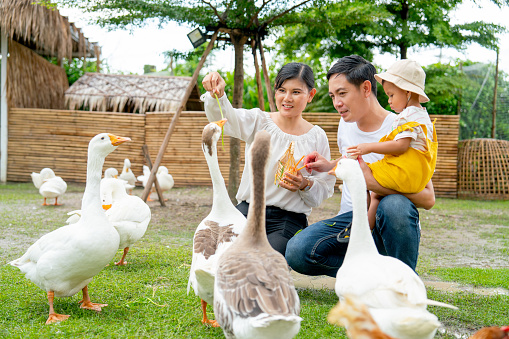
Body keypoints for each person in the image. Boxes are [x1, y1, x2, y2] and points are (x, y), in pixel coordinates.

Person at [285, 55, 435, 277]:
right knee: (298, 251)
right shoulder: (345, 125)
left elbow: (427, 197)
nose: (337, 103)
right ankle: (370, 276)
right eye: (333, 96)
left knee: (394, 205)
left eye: (342, 93)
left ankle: (402, 282)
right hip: (351, 221)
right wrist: (327, 166)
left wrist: (373, 186)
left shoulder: (402, 129)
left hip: (386, 223)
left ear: (366, 88)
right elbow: (350, 162)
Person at [201, 62, 336, 256]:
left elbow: (325, 187)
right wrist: (218, 95)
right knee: (218, 252)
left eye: (296, 92)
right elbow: (227, 120)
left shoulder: (316, 137)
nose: (287, 98)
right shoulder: (259, 121)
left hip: (288, 220)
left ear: (311, 95)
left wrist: (304, 184)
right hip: (247, 212)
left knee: (264, 261)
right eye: (282, 90)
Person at [346, 59, 438, 230]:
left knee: (367, 183)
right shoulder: (423, 116)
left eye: (391, 95)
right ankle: (365, 228)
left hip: (405, 172)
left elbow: (401, 146)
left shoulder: (406, 115)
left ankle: (362, 230)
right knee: (377, 193)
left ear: (408, 92)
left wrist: (369, 147)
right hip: (419, 175)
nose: (389, 101)